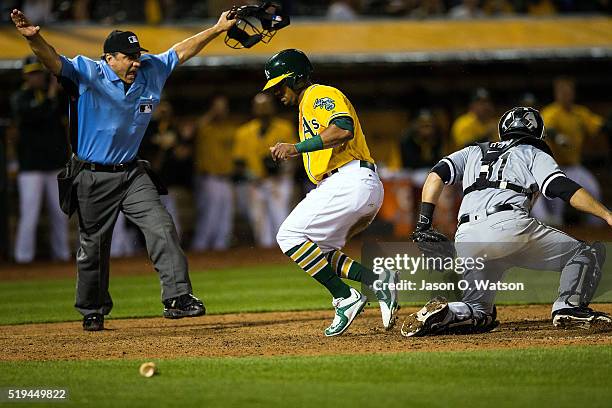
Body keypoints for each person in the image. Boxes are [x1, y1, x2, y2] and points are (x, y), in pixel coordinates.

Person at [10, 8, 237, 331]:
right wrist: (35, 39)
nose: (135, 62)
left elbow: (181, 51)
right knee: (93, 247)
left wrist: (216, 29)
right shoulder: (88, 72)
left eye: (137, 55)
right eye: (128, 57)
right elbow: (52, 60)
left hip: (131, 173)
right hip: (92, 173)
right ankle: (92, 308)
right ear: (109, 58)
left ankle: (177, 297)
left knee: (161, 225)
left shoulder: (150, 69)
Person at [401, 107, 612, 337]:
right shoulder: (533, 152)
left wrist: (423, 222)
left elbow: (436, 175)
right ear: (538, 134)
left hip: (467, 237)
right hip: (509, 227)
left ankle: (447, 312)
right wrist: (607, 215)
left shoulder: (473, 150)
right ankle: (569, 307)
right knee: (585, 252)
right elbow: (560, 187)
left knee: (480, 312)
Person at [265, 49, 399, 337]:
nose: (276, 92)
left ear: (296, 78)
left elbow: (343, 128)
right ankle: (377, 280)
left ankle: (345, 297)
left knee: (288, 236)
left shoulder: (317, 94)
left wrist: (295, 148)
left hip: (349, 179)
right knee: (316, 250)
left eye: (279, 84)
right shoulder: (306, 104)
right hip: (351, 183)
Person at [10, 55, 70, 263]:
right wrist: (52, 96)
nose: (35, 77)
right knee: (30, 214)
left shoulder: (55, 96)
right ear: (25, 76)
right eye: (31, 74)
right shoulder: (20, 97)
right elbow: (36, 115)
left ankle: (61, 255)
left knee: (59, 213)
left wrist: (56, 92)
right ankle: (23, 258)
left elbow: (70, 110)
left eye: (38, 73)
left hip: (54, 164)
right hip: (31, 166)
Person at [532, 77, 605, 226]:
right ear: (556, 94)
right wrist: (558, 137)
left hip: (574, 167)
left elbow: (600, 126)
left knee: (594, 191)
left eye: (568, 91)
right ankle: (558, 239)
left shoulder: (580, 113)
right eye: (562, 92)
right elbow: (547, 129)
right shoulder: (551, 112)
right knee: (556, 208)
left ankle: (596, 233)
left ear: (573, 93)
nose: (565, 95)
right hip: (553, 168)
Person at [233, 93, 295, 248]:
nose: (263, 109)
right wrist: (251, 176)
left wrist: (283, 171)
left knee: (281, 220)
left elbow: (296, 157)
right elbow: (238, 163)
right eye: (259, 106)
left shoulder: (285, 127)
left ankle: (285, 255)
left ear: (273, 107)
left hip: (279, 181)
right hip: (255, 183)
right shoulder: (243, 132)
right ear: (253, 109)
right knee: (260, 224)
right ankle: (266, 258)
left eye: (266, 105)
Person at [191, 95, 237, 251]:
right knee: (209, 219)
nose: (221, 110)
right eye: (217, 107)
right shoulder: (205, 128)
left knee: (225, 221)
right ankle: (200, 250)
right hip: (209, 179)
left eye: (223, 107)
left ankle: (220, 253)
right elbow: (194, 129)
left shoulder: (230, 128)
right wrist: (212, 113)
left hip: (227, 179)